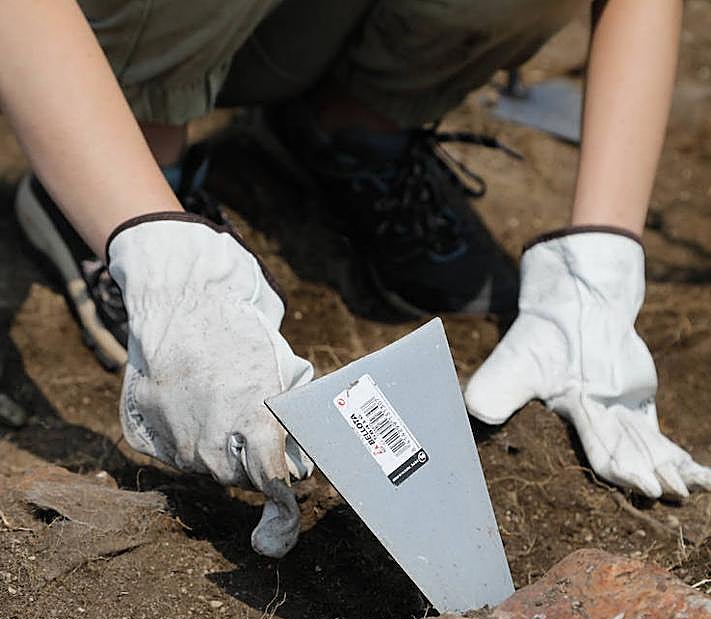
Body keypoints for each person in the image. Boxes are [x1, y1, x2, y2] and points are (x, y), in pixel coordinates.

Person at [2, 0, 709, 560]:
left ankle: (352, 123)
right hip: (109, 41)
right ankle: (124, 179)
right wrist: (155, 249)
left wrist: (599, 268)